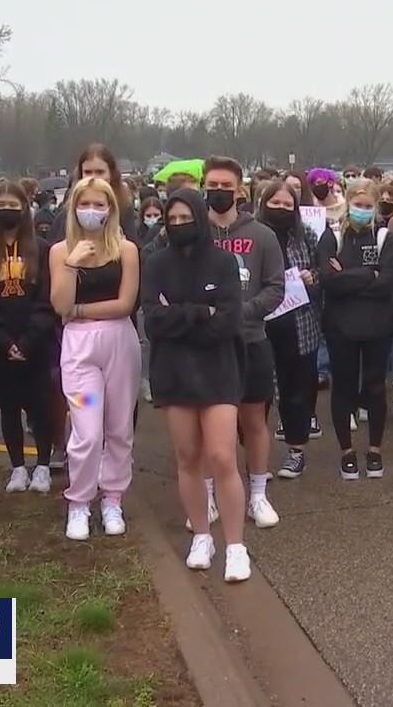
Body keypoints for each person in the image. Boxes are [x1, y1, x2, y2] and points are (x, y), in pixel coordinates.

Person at [144, 188, 252, 582]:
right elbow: (153, 322)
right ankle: (201, 536)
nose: (177, 226)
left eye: (184, 219)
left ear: (199, 218)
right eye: (170, 221)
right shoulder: (155, 264)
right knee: (188, 456)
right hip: (173, 370)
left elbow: (226, 322)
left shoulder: (224, 262)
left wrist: (181, 316)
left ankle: (236, 546)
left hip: (218, 368)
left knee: (223, 457)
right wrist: (198, 314)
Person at [48, 177, 142, 541]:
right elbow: (59, 306)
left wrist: (80, 309)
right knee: (87, 431)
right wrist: (72, 265)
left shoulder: (126, 250)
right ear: (73, 207)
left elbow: (124, 303)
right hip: (79, 350)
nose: (92, 211)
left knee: (119, 426)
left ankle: (113, 497)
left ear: (111, 209)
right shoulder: (60, 251)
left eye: (99, 205)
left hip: (119, 342)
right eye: (84, 203)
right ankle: (79, 500)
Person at [205, 156, 285, 529]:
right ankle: (207, 497)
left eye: (226, 186)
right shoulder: (192, 231)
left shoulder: (262, 236)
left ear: (240, 189)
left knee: (254, 421)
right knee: (208, 425)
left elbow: (276, 288)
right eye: (213, 184)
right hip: (204, 346)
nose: (219, 191)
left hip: (251, 340)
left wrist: (242, 313)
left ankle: (257, 494)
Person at [316, 181, 393, 479]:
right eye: (358, 204)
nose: (362, 210)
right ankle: (346, 451)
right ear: (348, 202)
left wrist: (348, 278)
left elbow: (387, 282)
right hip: (341, 327)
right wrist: (367, 274)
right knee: (344, 388)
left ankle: (375, 449)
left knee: (376, 387)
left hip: (378, 326)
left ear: (376, 207)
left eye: (368, 205)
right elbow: (327, 279)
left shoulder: (385, 237)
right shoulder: (333, 236)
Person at [0, 181, 58, 495]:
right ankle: (17, 467)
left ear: (25, 209)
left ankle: (42, 465)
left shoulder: (41, 249)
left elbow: (47, 298)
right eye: (1, 205)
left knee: (41, 407)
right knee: (8, 408)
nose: (7, 211)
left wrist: (27, 340)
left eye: (14, 205)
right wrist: (3, 340)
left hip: (36, 344)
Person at [257, 181, 323, 479]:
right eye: (275, 204)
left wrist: (314, 276)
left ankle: (296, 452)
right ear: (263, 204)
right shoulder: (254, 234)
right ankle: (259, 460)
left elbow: (324, 268)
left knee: (296, 392)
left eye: (287, 205)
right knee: (259, 395)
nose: (281, 209)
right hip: (259, 324)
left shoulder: (305, 234)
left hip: (299, 324)